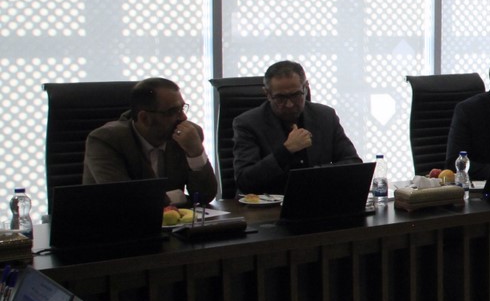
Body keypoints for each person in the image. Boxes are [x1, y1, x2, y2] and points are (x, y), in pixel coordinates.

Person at [82, 77, 218, 207]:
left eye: (182, 108)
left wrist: (195, 153)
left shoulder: (187, 136)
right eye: (173, 111)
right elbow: (124, 200)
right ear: (144, 118)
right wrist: (179, 197)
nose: (183, 117)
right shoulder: (105, 141)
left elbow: (204, 196)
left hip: (173, 221)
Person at [231, 61, 360, 194]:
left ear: (306, 88)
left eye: (295, 95)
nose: (289, 104)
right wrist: (286, 151)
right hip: (270, 203)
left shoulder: (325, 116)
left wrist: (314, 174)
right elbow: (245, 181)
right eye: (280, 98)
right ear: (268, 94)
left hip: (317, 199)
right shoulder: (248, 124)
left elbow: (353, 163)